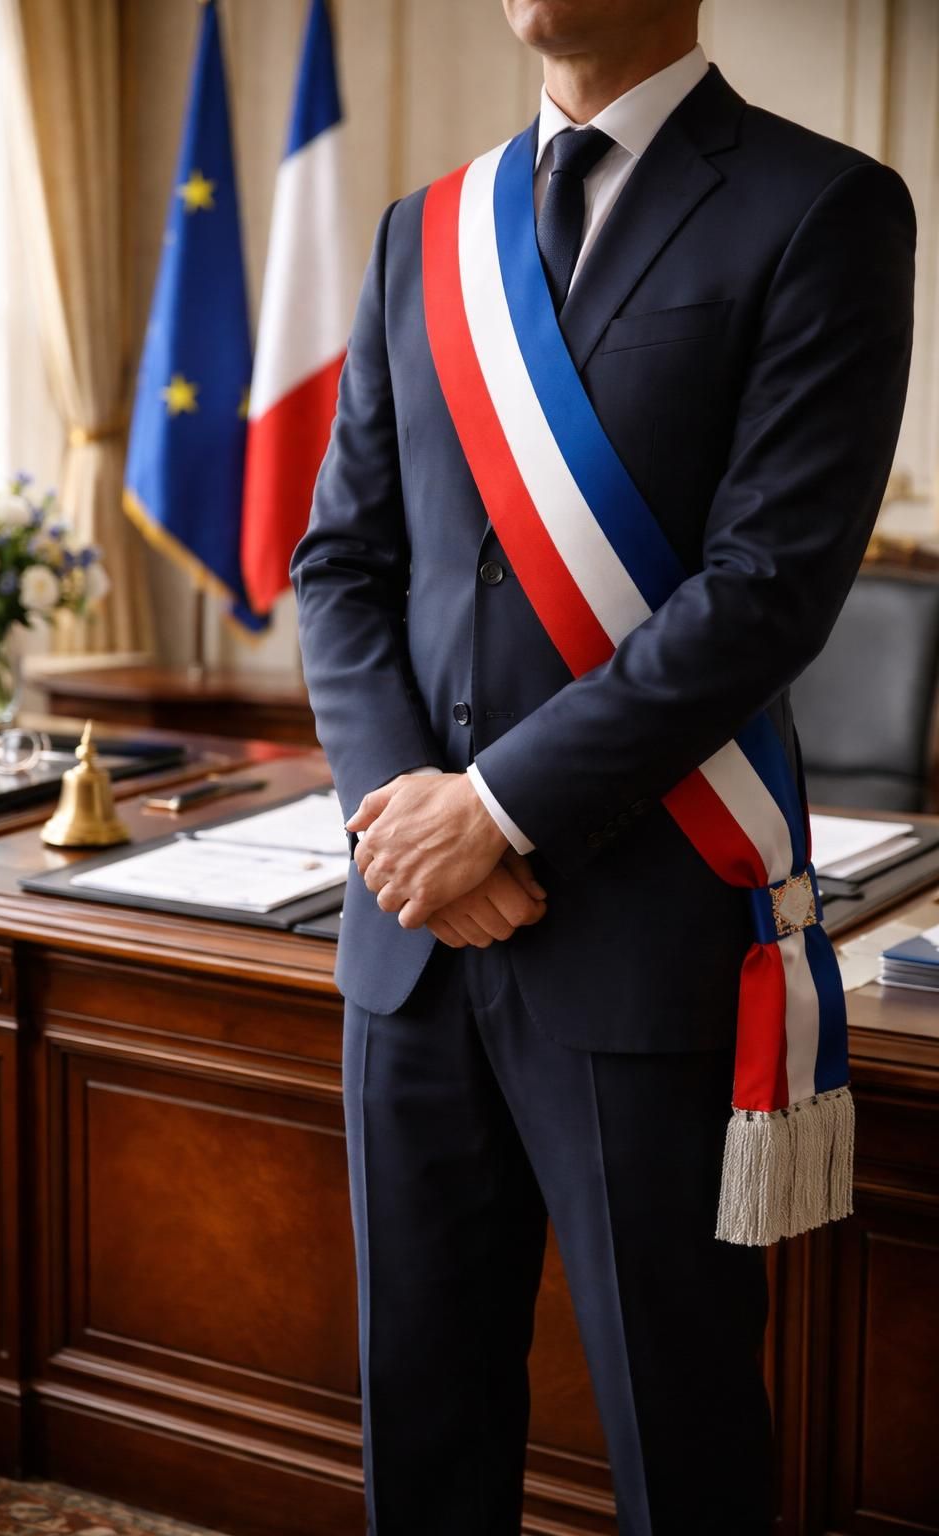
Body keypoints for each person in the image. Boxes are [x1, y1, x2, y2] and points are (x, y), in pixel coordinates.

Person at [290, 1, 916, 1531]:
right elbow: (339, 566)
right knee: (422, 1435)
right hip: (413, 949)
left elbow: (767, 586)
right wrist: (410, 838)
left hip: (648, 941)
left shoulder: (823, 207)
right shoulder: (420, 234)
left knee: (677, 1441)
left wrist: (495, 814)